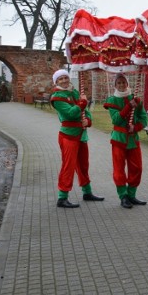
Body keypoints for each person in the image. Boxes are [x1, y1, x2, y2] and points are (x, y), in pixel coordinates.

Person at [50, 69, 103, 208]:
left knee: (83, 165)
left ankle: (87, 192)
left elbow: (85, 113)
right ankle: (62, 197)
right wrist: (82, 104)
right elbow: (70, 114)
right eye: (60, 79)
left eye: (65, 78)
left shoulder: (75, 93)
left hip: (81, 134)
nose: (64, 81)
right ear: (56, 82)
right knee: (68, 166)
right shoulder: (57, 98)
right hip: (68, 136)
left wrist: (88, 121)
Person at [103, 73, 148, 209]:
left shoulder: (135, 99)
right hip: (119, 139)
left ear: (127, 83)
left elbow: (144, 118)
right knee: (119, 169)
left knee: (137, 168)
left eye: (124, 82)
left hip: (133, 139)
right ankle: (123, 196)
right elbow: (116, 119)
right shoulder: (111, 100)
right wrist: (129, 106)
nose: (122, 85)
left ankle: (131, 194)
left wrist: (136, 127)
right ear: (115, 85)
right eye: (119, 83)